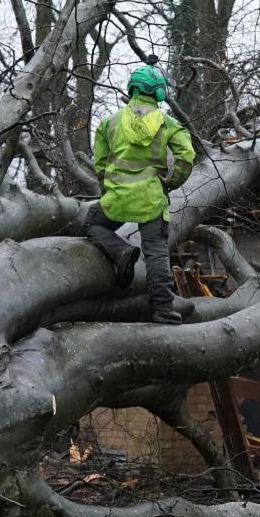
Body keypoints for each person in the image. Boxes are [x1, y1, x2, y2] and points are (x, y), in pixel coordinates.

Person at [84, 61, 195, 324]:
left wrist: (108, 189)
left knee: (92, 222)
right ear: (158, 92)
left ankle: (120, 251)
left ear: (132, 87)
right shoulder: (168, 123)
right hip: (152, 200)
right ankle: (163, 309)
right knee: (156, 251)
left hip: (118, 197)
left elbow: (99, 163)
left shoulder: (109, 124)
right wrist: (171, 182)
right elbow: (186, 156)